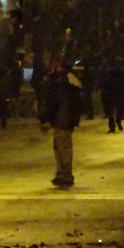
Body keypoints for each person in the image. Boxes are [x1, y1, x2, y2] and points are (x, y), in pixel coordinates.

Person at [38, 58, 82, 187]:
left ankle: (65, 174)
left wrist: (46, 118)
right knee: (59, 147)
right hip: (62, 118)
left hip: (63, 118)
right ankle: (62, 173)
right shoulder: (64, 79)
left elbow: (55, 101)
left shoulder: (62, 81)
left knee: (63, 147)